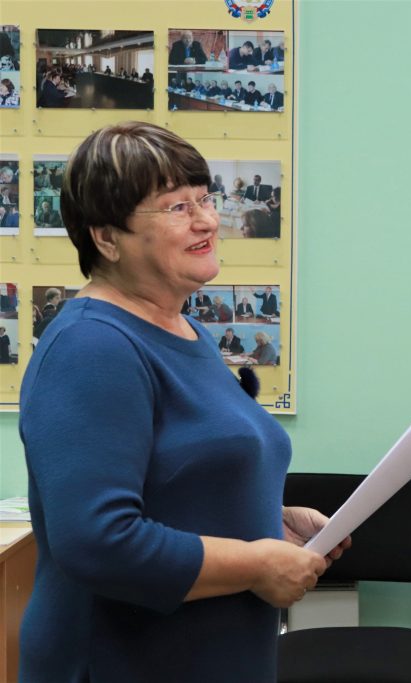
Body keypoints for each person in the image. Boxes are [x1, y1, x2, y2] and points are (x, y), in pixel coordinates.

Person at [18, 121, 351, 683]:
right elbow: (97, 541)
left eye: (205, 198)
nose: (207, 221)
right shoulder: (92, 346)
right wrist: (256, 563)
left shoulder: (186, 331)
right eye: (177, 207)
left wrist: (267, 519)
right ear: (107, 238)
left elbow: (177, 481)